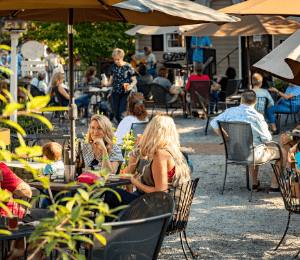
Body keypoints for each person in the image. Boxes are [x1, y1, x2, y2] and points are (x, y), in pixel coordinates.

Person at [104, 115, 191, 210]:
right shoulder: (176, 152)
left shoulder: (160, 154)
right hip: (175, 211)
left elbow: (161, 193)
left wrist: (137, 183)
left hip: (160, 213)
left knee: (110, 193)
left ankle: (102, 224)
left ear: (151, 130)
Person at [210, 90, 287, 193]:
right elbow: (267, 139)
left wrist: (226, 138)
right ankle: (274, 185)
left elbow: (213, 123)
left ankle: (254, 183)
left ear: (241, 100)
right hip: (253, 154)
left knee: (255, 146)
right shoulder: (257, 116)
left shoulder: (229, 111)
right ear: (255, 102)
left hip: (234, 152)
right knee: (283, 152)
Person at [0, 162, 47, 260]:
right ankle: (15, 254)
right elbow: (27, 193)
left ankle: (37, 255)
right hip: (8, 221)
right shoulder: (1, 167)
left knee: (27, 214)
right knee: (54, 220)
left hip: (9, 218)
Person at [107, 48, 137, 124]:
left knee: (122, 113)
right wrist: (106, 83)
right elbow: (111, 80)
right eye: (114, 59)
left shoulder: (128, 66)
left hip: (125, 92)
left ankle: (122, 131)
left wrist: (131, 86)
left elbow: (134, 80)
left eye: (117, 59)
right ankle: (121, 127)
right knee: (116, 112)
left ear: (122, 58)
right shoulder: (113, 67)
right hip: (115, 91)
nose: (116, 61)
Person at [41, 142, 65, 209]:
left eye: (43, 155)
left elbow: (46, 178)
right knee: (56, 203)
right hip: (60, 188)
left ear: (46, 157)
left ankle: (43, 214)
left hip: (51, 190)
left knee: (49, 204)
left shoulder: (48, 166)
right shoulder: (61, 163)